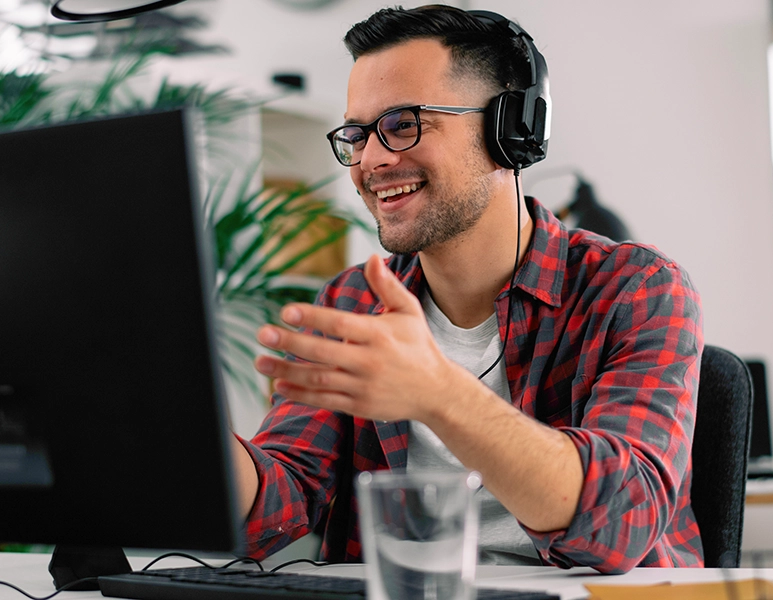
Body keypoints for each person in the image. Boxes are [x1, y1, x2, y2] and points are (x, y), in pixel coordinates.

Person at [227, 4, 704, 573]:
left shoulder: (634, 289)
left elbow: (620, 526)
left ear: (509, 133)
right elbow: (273, 509)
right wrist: (176, 406)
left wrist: (438, 393)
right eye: (356, 135)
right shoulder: (352, 303)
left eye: (403, 124)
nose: (370, 160)